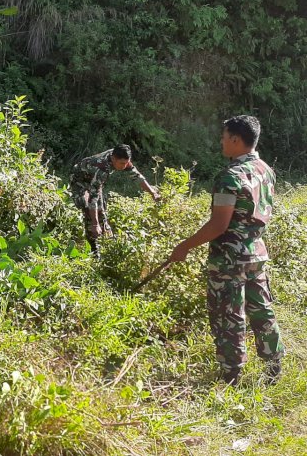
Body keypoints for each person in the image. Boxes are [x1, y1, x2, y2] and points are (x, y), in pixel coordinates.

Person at [166, 115, 284, 386]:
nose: (221, 141)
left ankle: (231, 375)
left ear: (235, 139)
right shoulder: (266, 170)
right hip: (257, 254)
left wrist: (184, 247)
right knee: (261, 310)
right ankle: (274, 367)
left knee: (228, 315)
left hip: (230, 259)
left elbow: (219, 225)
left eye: (224, 136)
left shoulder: (229, 176)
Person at [70, 145, 160, 252]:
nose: (124, 166)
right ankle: (94, 250)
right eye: (122, 163)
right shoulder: (101, 170)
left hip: (94, 180)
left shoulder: (121, 156)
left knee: (101, 212)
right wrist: (95, 224)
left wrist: (153, 193)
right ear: (113, 159)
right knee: (89, 212)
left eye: (126, 163)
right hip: (80, 181)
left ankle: (108, 243)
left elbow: (136, 175)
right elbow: (92, 199)